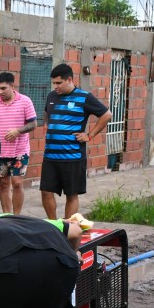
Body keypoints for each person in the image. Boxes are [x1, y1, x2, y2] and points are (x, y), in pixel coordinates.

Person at [40, 64, 111, 220]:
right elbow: (46, 112)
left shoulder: (84, 97)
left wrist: (89, 135)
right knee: (45, 191)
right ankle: (53, 225)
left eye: (59, 83)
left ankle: (68, 227)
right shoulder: (52, 96)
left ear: (69, 79)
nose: (55, 86)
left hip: (72, 156)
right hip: (50, 156)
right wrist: (46, 124)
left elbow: (107, 115)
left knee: (71, 195)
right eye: (54, 83)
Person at [0, 72, 38, 215]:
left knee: (17, 183)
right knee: (3, 185)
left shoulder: (25, 101)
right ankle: (7, 216)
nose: (0, 92)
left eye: (3, 88)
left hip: (19, 151)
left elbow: (33, 124)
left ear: (12, 86)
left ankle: (17, 216)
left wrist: (18, 131)